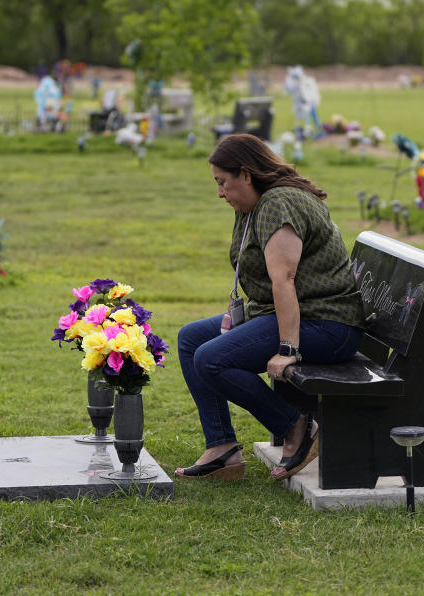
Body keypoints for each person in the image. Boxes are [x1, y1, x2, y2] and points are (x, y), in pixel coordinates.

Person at [175, 133, 365, 481]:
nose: (220, 192)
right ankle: (223, 448)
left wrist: (287, 349)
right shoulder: (256, 203)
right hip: (291, 315)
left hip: (327, 324)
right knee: (191, 339)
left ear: (246, 174)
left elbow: (285, 278)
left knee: (211, 359)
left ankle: (298, 427)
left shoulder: (279, 203)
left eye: (223, 182)